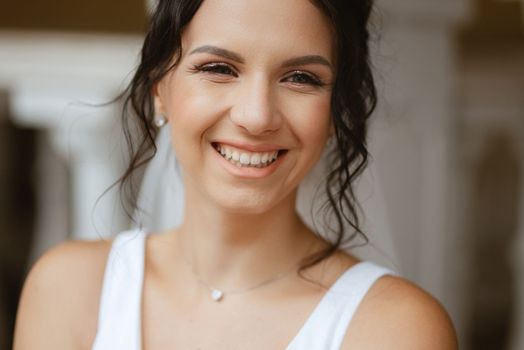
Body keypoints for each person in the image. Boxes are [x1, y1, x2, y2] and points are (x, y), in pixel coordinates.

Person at [13, 0, 458, 349]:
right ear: (159, 91)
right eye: (219, 69)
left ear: (337, 109)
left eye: (301, 77)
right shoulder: (67, 290)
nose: (257, 116)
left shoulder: (393, 329)